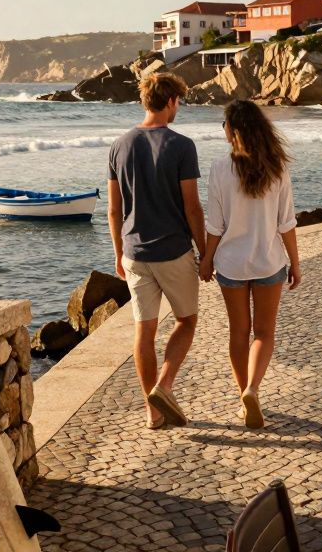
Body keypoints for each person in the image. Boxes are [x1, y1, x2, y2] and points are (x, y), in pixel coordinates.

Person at [107, 72, 206, 430]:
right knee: (187, 321)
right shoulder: (181, 146)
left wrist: (118, 253)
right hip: (173, 252)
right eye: (178, 102)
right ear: (169, 102)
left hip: (134, 253)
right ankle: (164, 387)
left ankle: (153, 413)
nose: (178, 108)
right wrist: (205, 250)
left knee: (143, 332)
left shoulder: (119, 145)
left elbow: (115, 210)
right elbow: (192, 207)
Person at [199, 101, 301, 429]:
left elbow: (214, 226)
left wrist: (206, 260)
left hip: (230, 265)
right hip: (269, 262)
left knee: (238, 333)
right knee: (265, 333)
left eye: (224, 124)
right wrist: (295, 263)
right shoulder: (278, 167)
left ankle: (244, 395)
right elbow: (286, 223)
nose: (223, 129)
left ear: (233, 131)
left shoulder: (218, 168)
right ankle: (254, 391)